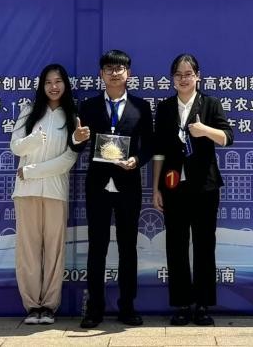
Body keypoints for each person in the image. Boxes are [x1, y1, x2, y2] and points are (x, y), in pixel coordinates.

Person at [69, 50, 154, 328]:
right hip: (97, 185)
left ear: (129, 73)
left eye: (120, 68)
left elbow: (149, 145)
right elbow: (77, 146)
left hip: (129, 184)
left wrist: (137, 160)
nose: (115, 73)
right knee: (97, 246)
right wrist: (77, 138)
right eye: (109, 69)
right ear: (101, 74)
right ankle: (94, 309)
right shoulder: (88, 106)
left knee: (128, 247)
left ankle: (127, 307)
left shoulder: (141, 107)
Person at [151, 53, 234, 326]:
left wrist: (205, 130)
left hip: (204, 188)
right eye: (178, 74)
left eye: (188, 74)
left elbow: (228, 138)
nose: (183, 79)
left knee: (204, 245)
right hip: (173, 186)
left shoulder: (210, 104)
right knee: (175, 246)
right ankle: (182, 304)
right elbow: (159, 151)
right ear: (172, 79)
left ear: (198, 76)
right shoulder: (165, 108)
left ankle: (202, 305)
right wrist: (156, 188)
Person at [9, 64, 80, 325]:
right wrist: (34, 140)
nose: (53, 86)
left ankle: (49, 306)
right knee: (28, 250)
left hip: (54, 191)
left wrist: (31, 171)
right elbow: (15, 147)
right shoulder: (29, 111)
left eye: (58, 81)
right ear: (42, 86)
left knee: (54, 250)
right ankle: (32, 306)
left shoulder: (72, 115)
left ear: (65, 85)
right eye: (48, 82)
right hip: (25, 192)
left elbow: (68, 159)